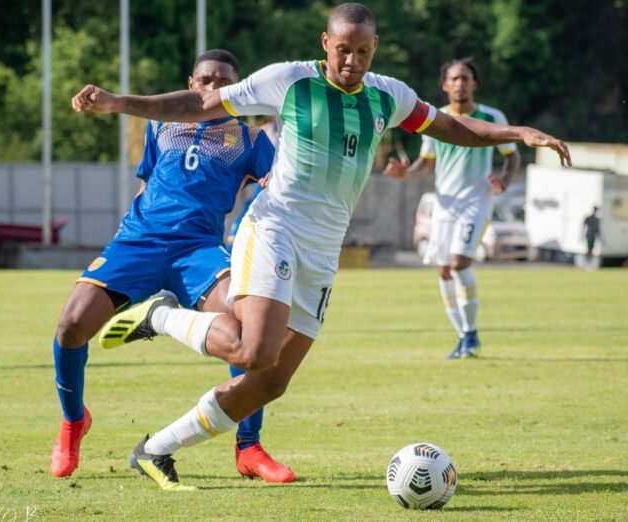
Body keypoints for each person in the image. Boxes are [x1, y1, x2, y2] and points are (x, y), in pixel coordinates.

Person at [73, 2, 571, 490]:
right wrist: (120, 103)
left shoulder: (388, 96)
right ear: (325, 44)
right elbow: (200, 105)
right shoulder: (289, 81)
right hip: (276, 230)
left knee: (271, 382)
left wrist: (518, 133)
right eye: (342, 51)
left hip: (323, 251)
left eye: (362, 52)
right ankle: (159, 315)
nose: (351, 62)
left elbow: (450, 126)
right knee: (252, 351)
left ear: (375, 48)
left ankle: (156, 449)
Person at [51, 49, 295, 486]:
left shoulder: (250, 139)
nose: (212, 88)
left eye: (223, 82)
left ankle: (249, 447)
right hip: (137, 243)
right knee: (71, 325)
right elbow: (151, 181)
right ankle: (73, 424)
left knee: (245, 330)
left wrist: (268, 185)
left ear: (237, 90)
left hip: (198, 250)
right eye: (204, 80)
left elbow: (275, 185)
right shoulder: (161, 123)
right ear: (190, 81)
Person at [384, 58, 521, 359]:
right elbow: (426, 162)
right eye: (454, 79)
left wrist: (505, 181)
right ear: (445, 85)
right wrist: (405, 173)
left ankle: (470, 334)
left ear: (475, 84)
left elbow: (512, 154)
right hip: (444, 205)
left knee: (459, 263)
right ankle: (464, 337)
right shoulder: (436, 118)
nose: (460, 83)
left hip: (476, 201)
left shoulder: (491, 116)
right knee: (444, 270)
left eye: (465, 78)